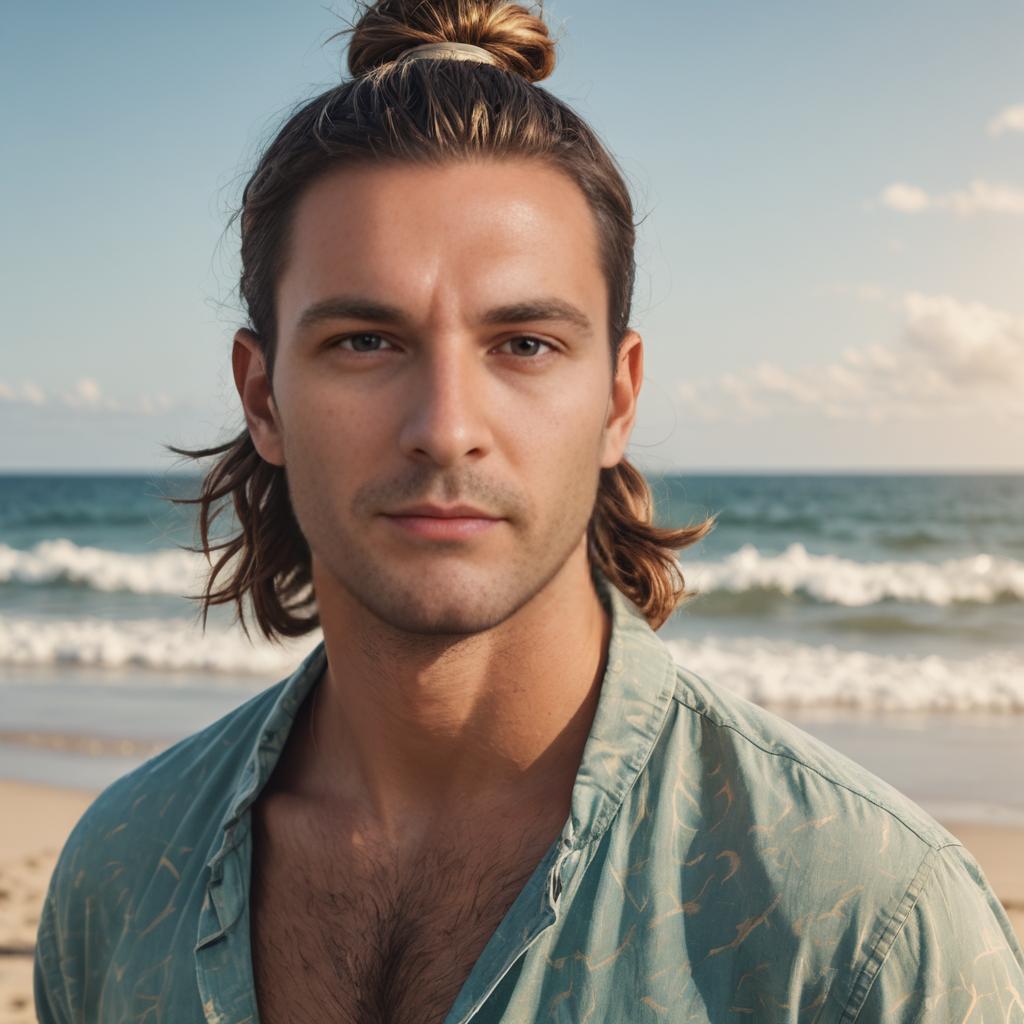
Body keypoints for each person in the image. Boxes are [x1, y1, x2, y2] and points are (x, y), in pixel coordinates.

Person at [34, 1, 1024, 1021]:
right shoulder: (121, 881)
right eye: (366, 341)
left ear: (617, 397)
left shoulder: (863, 924)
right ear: (261, 396)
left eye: (524, 344)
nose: (446, 426)